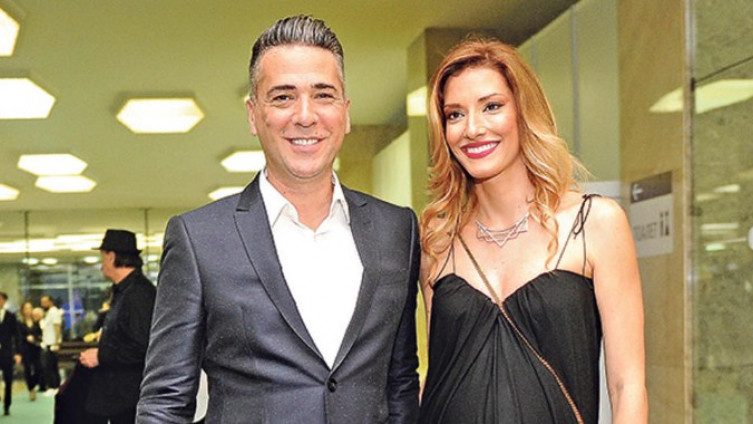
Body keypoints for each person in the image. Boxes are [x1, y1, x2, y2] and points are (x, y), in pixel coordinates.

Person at [137, 15, 420, 424]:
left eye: (323, 95)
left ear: (345, 112)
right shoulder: (199, 240)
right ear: (254, 115)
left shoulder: (397, 231)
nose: (305, 115)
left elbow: (400, 384)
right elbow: (164, 403)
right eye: (283, 97)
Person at [417, 38, 647, 423]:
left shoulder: (594, 223)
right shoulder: (437, 239)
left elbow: (628, 386)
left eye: (492, 106)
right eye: (454, 114)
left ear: (523, 111)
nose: (472, 128)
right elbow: (438, 375)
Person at [77, 229, 156, 423]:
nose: (101, 264)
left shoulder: (138, 294)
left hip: (130, 398)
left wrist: (101, 356)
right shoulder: (125, 291)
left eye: (102, 257)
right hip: (119, 396)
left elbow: (143, 347)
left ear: (111, 257)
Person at [0, 292, 22, 415]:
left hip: (6, 352)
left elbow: (17, 335)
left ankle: (7, 405)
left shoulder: (10, 316)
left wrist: (18, 352)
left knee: (8, 379)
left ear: (4, 301)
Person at [18, 301, 43, 402]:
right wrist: (26, 338)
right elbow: (18, 336)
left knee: (38, 368)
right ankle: (31, 389)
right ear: (23, 310)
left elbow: (40, 334)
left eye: (30, 308)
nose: (28, 310)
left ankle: (34, 383)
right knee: (27, 369)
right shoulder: (20, 323)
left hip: (35, 348)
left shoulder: (36, 322)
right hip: (25, 349)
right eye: (26, 308)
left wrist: (35, 338)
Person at [40, 294, 63, 395]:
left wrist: (56, 342)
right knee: (48, 366)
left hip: (52, 343)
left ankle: (55, 386)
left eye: (45, 302)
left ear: (50, 302)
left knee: (51, 366)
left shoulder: (54, 312)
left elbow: (57, 327)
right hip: (47, 343)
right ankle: (52, 386)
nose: (43, 304)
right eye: (42, 302)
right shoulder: (48, 313)